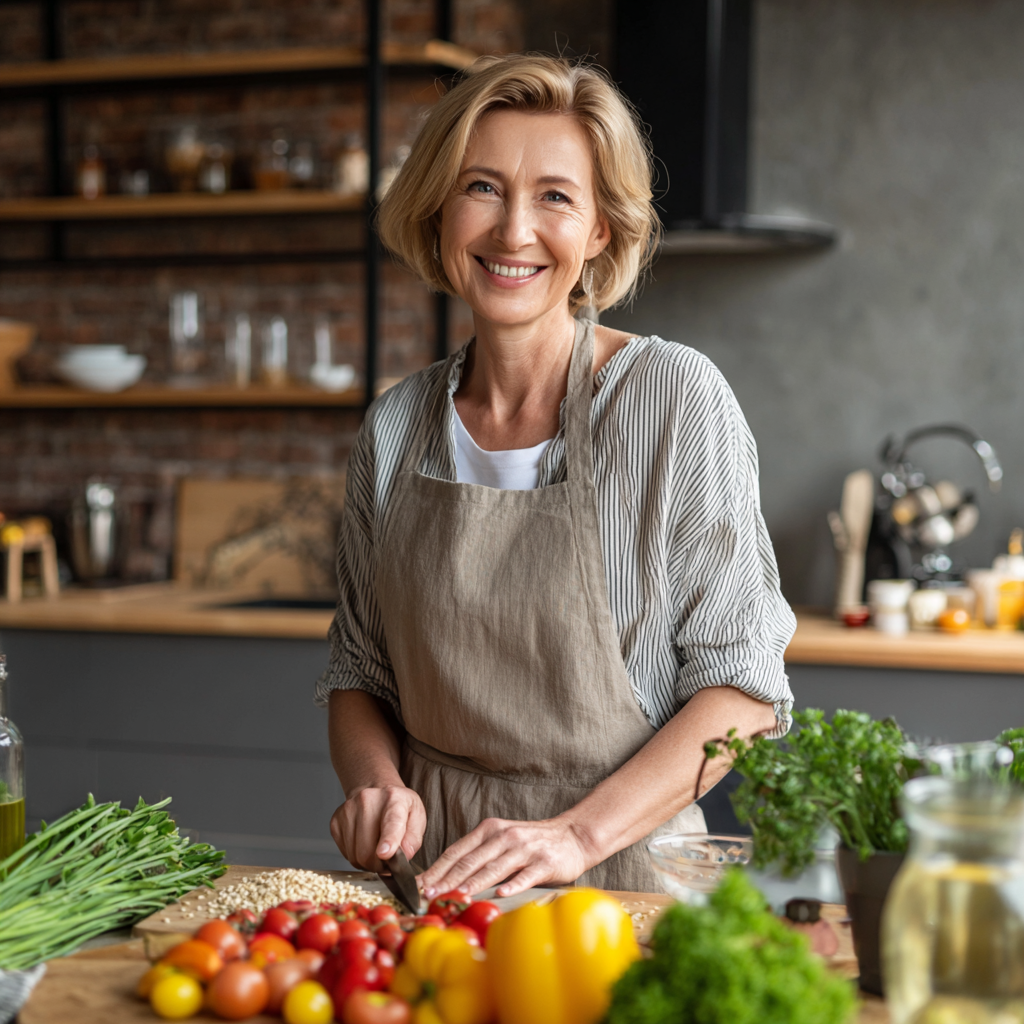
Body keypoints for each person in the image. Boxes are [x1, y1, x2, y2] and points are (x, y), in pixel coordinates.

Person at [315, 54, 795, 897]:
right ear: (437, 213)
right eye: (483, 188)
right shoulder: (394, 429)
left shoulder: (673, 401)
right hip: (437, 891)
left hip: (626, 882)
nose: (513, 232)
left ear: (600, 232)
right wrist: (375, 786)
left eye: (556, 198)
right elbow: (358, 672)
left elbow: (745, 696)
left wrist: (575, 836)